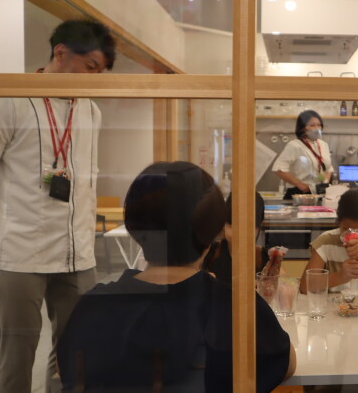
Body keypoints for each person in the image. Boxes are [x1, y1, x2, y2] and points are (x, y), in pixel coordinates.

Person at [0, 19, 116, 393]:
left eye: (100, 72)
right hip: (18, 253)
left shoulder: (90, 110)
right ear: (60, 52)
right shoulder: (8, 99)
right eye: (90, 67)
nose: (94, 78)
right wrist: (3, 213)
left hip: (77, 253)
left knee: (75, 353)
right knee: (16, 355)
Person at [57, 161, 296, 392]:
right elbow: (287, 363)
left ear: (134, 227)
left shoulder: (92, 306)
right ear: (212, 229)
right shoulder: (235, 306)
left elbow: (65, 369)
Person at [202, 192, 271, 283]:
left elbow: (281, 282)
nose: (239, 234)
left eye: (248, 227)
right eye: (232, 226)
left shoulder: (265, 258)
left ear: (260, 225)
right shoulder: (209, 253)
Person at [272, 110, 334, 199]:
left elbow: (328, 167)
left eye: (319, 125)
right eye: (312, 125)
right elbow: (278, 169)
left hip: (319, 193)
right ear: (303, 128)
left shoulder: (323, 144)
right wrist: (300, 185)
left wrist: (325, 182)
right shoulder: (295, 145)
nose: (317, 128)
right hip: (299, 194)